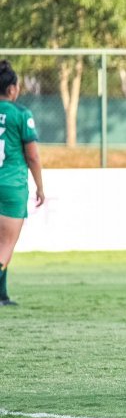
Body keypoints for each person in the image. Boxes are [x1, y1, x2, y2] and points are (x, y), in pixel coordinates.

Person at [0, 60, 44, 307]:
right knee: (6, 245)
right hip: (11, 185)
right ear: (12, 89)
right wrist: (40, 187)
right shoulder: (21, 114)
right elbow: (33, 156)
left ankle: (2, 294)